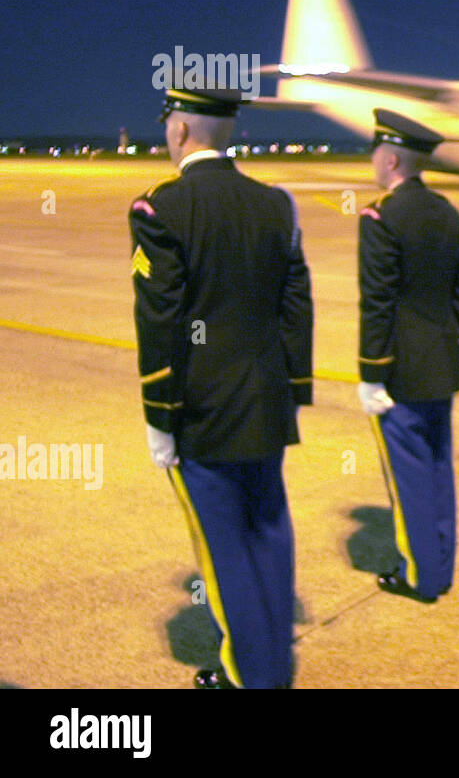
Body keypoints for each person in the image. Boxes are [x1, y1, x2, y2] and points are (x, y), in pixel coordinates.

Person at [129, 85, 313, 689]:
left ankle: (247, 674)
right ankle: (273, 662)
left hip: (201, 411)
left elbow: (162, 322)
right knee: (268, 528)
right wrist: (292, 390)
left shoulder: (160, 208)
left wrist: (160, 415)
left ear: (180, 132)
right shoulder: (276, 205)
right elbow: (295, 307)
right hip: (265, 401)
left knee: (222, 546)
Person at [357, 109, 459, 601]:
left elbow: (378, 300)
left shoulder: (381, 216)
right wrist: (457, 345)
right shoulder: (447, 210)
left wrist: (371, 373)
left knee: (409, 480)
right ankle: (441, 567)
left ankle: (421, 577)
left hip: (400, 370)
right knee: (437, 470)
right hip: (442, 364)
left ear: (389, 159)